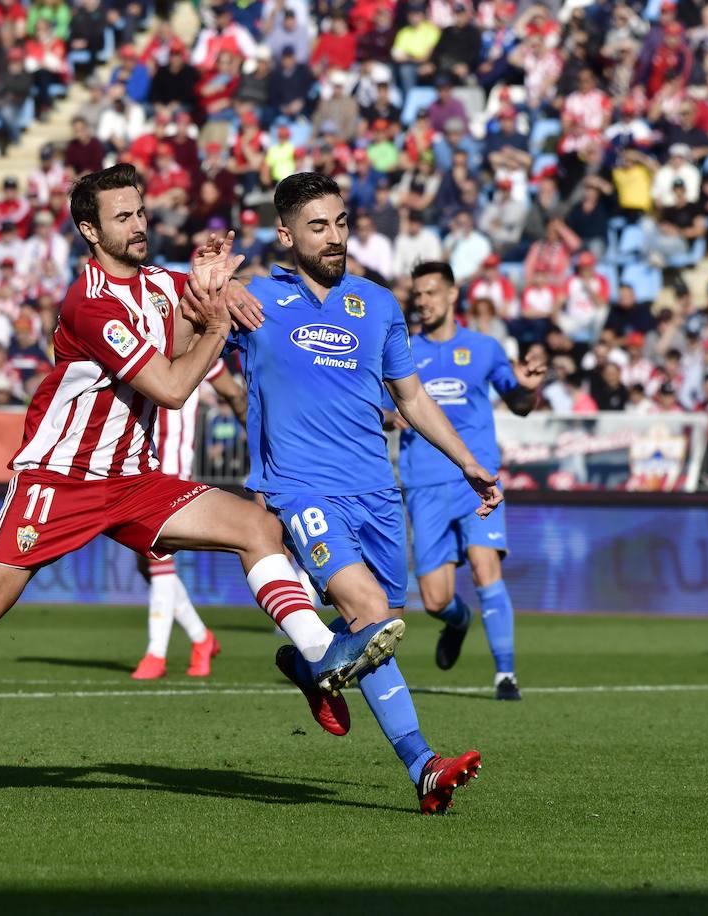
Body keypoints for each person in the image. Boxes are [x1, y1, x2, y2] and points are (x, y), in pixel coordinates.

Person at [0, 165, 378, 807]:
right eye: (123, 217)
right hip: (59, 479)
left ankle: (318, 653)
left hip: (133, 478)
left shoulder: (158, 284)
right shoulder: (88, 302)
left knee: (258, 528)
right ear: (90, 230)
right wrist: (213, 324)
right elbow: (174, 387)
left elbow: (203, 305)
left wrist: (216, 286)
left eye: (141, 211)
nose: (140, 223)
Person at [228, 173, 499, 814]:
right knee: (372, 612)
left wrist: (468, 462)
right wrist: (207, 289)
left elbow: (410, 396)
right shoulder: (256, 300)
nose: (334, 237)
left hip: (377, 492)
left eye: (342, 222)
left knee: (372, 628)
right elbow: (186, 333)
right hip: (299, 489)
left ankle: (310, 664)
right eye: (317, 226)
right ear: (286, 234)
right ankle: (424, 766)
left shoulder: (377, 304)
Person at [391, 262, 545, 701]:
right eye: (418, 294)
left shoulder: (485, 348)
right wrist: (390, 415)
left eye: (431, 292)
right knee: (435, 600)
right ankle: (458, 621)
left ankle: (505, 676)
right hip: (423, 484)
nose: (423, 301)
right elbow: (386, 407)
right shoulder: (401, 352)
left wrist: (528, 390)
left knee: (484, 565)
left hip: (476, 480)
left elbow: (517, 403)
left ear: (453, 294)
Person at [129, 360, 246, 680]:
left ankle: (156, 654)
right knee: (147, 564)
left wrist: (256, 429)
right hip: (138, 471)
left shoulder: (198, 354)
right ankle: (201, 638)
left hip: (169, 472)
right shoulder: (154, 346)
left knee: (159, 562)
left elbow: (234, 394)